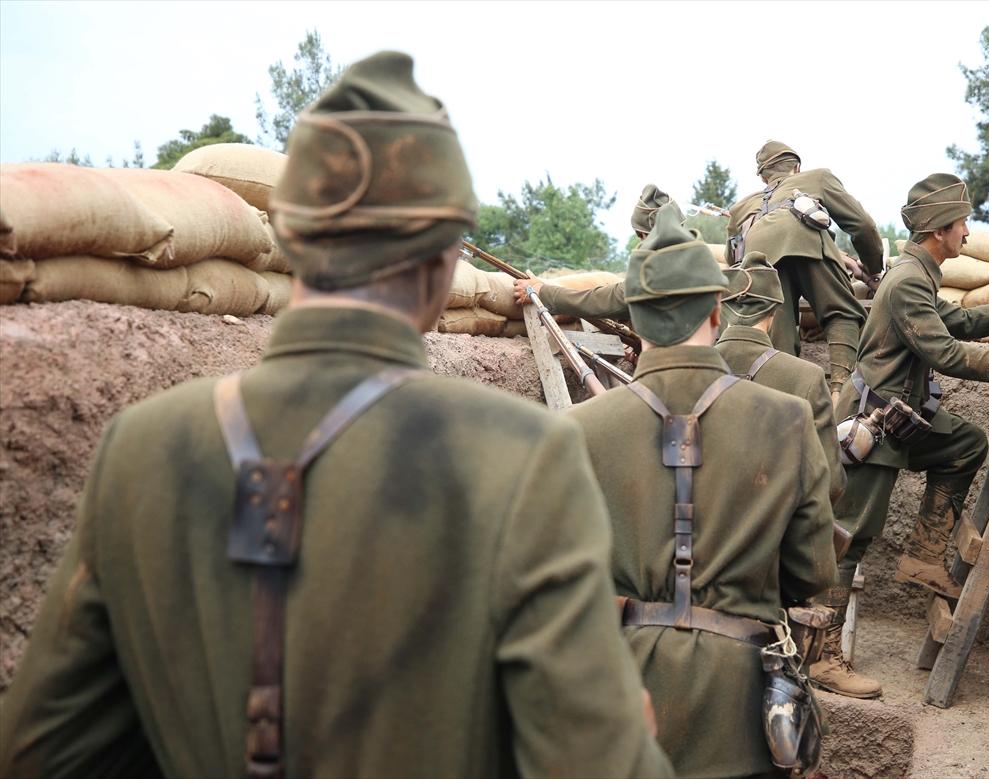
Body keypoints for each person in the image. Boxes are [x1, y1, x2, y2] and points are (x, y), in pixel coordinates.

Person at [0, 52, 672, 779]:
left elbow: (43, 754)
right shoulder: (523, 457)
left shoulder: (139, 448)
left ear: (287, 234)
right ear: (446, 256)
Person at [568, 203, 837, 778]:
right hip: (741, 709)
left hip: (617, 704)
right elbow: (813, 572)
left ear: (635, 318)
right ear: (717, 308)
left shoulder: (576, 431)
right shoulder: (788, 419)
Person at [820, 173, 989, 698]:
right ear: (939, 230)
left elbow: (953, 321)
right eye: (962, 223)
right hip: (874, 427)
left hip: (901, 420)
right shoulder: (909, 280)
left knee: (966, 445)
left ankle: (924, 558)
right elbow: (946, 353)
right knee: (849, 538)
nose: (968, 232)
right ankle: (823, 658)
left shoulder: (918, 276)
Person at [726, 141, 883, 402]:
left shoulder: (740, 208)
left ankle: (786, 403)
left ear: (764, 177)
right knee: (841, 313)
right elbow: (862, 226)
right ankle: (839, 395)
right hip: (807, 244)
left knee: (779, 335)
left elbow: (734, 262)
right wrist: (874, 267)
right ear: (797, 167)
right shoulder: (818, 178)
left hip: (760, 263)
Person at [715, 250, 845, 502]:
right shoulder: (806, 378)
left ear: (723, 310)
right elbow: (831, 485)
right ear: (774, 313)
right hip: (776, 536)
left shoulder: (687, 372)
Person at [511, 183, 671, 319]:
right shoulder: (693, 259)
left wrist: (541, 291)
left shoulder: (658, 270)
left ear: (645, 234)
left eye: (641, 236)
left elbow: (600, 301)